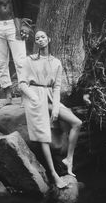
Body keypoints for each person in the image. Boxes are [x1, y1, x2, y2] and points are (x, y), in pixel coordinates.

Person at [19, 30, 82, 189]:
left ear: (49, 39)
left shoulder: (56, 62)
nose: (40, 40)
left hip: (49, 96)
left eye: (42, 37)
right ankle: (54, 174)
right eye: (37, 38)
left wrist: (55, 108)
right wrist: (33, 97)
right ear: (36, 42)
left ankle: (69, 159)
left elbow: (57, 87)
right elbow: (22, 84)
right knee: (44, 135)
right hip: (34, 95)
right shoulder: (29, 61)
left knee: (76, 122)